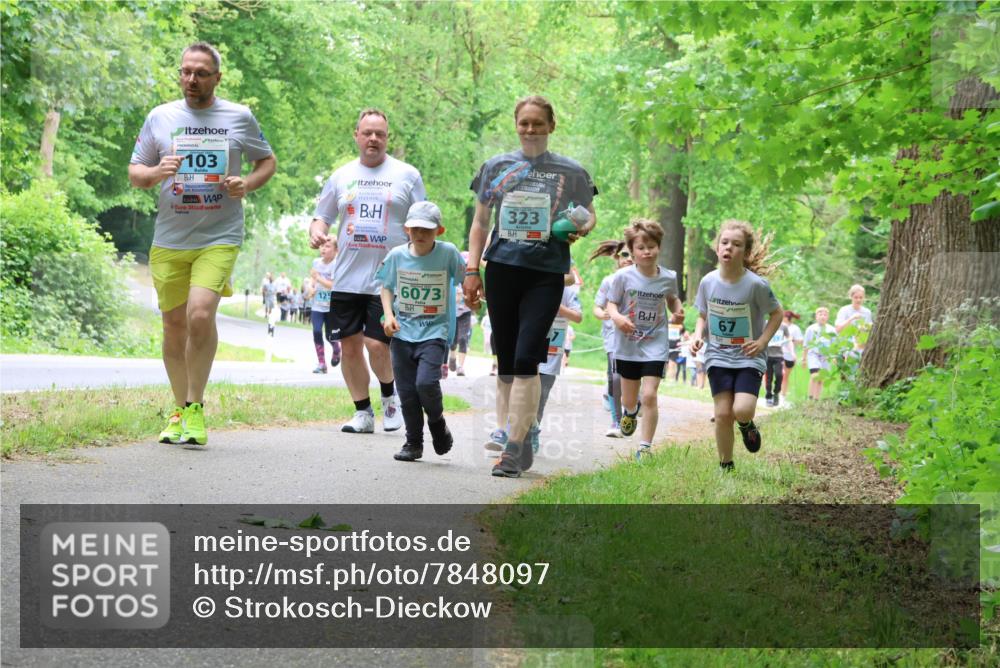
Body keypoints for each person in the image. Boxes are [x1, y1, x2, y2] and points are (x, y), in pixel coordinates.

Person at [129, 41, 276, 448]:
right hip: (171, 236)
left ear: (217, 77)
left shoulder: (239, 117)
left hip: (219, 235)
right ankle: (180, 409)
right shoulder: (160, 117)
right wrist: (159, 171)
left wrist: (245, 183)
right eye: (185, 72)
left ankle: (196, 405)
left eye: (200, 73)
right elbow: (136, 174)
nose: (191, 79)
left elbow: (267, 161)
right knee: (173, 325)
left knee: (198, 315)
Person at [464, 95, 597, 478]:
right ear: (516, 125)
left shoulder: (570, 171)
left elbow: (589, 216)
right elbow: (480, 223)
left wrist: (578, 228)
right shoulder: (496, 167)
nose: (531, 130)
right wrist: (472, 269)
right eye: (524, 123)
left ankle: (513, 447)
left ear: (551, 126)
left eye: (538, 123)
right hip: (502, 268)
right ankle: (517, 429)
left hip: (545, 272)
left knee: (526, 359)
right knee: (506, 361)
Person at [308, 108, 426, 434]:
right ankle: (362, 412)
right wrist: (316, 231)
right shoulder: (341, 176)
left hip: (388, 278)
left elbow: (423, 219)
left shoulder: (407, 175)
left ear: (387, 138)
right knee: (349, 346)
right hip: (347, 276)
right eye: (367, 132)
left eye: (380, 134)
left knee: (377, 345)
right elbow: (321, 216)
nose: (373, 138)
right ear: (357, 136)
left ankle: (390, 396)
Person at [689, 220, 783, 472]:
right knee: (722, 414)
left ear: (746, 252)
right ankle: (726, 465)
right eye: (724, 242)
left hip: (748, 356)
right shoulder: (708, 281)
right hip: (717, 355)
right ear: (718, 247)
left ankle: (746, 424)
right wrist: (698, 335)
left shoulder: (755, 285)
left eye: (736, 244)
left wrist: (762, 341)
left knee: (741, 409)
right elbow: (702, 314)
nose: (729, 247)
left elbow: (777, 314)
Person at [377, 201, 464, 462]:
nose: (420, 234)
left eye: (427, 229)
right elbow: (386, 286)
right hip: (402, 333)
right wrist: (389, 315)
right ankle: (413, 443)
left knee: (426, 383)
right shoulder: (396, 255)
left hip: (434, 331)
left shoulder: (448, 253)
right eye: (415, 228)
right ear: (406, 229)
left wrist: (472, 293)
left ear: (440, 230)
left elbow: (467, 279)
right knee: (406, 391)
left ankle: (437, 423)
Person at [606, 219, 684, 460]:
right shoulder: (622, 277)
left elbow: (672, 298)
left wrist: (677, 310)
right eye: (641, 247)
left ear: (659, 247)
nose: (647, 251)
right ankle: (630, 412)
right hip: (628, 343)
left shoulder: (668, 277)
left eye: (651, 246)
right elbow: (611, 304)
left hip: (655, 343)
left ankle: (645, 447)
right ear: (632, 250)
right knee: (629, 398)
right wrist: (617, 318)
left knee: (649, 395)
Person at [591, 240, 633, 438]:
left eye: (632, 254)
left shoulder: (644, 281)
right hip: (612, 336)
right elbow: (597, 307)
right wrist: (604, 315)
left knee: (631, 377)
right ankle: (616, 421)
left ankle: (632, 406)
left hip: (636, 338)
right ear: (617, 257)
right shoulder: (609, 281)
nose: (629, 258)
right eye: (624, 254)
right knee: (615, 378)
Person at [309, 238, 341, 374]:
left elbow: (332, 285)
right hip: (317, 305)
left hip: (331, 306)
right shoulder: (316, 262)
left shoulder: (336, 264)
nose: (323, 249)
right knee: (316, 331)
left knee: (329, 335)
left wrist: (318, 278)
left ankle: (337, 349)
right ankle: (322, 364)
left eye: (327, 246)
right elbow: (312, 280)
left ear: (335, 250)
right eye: (321, 246)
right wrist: (311, 287)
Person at [803, 307, 837, 401]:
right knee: (815, 376)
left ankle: (816, 399)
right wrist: (804, 359)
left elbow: (834, 345)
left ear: (828, 317)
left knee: (821, 378)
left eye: (825, 315)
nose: (823, 316)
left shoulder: (831, 330)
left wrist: (834, 357)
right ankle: (810, 397)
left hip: (826, 356)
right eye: (820, 314)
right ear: (816, 316)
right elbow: (806, 344)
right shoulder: (811, 329)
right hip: (813, 354)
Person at [835, 284, 873, 354]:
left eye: (861, 297)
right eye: (856, 297)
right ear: (851, 297)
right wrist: (851, 318)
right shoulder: (844, 310)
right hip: (846, 345)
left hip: (861, 346)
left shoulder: (867, 312)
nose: (858, 300)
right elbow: (838, 329)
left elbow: (869, 330)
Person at [447, 283, 473, 378]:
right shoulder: (452, 280)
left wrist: (467, 297)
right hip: (452, 312)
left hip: (465, 313)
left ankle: (461, 367)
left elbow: (474, 298)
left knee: (463, 339)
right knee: (452, 340)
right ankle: (452, 357)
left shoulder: (469, 279)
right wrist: (455, 298)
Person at [764, 318, 790, 407]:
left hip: (778, 355)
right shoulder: (765, 324)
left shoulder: (783, 326)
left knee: (779, 375)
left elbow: (789, 337)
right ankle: (768, 396)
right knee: (769, 377)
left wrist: (784, 341)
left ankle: (776, 393)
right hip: (767, 355)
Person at [780, 310, 803, 404]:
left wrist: (790, 341)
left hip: (789, 355)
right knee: (779, 374)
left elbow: (800, 341)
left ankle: (783, 396)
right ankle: (775, 394)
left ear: (786, 318)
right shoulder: (778, 326)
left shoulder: (795, 328)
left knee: (785, 376)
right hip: (778, 354)